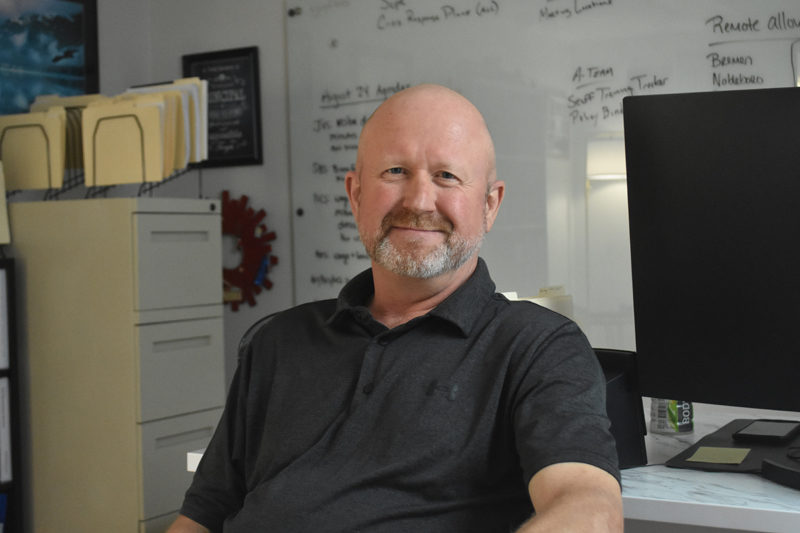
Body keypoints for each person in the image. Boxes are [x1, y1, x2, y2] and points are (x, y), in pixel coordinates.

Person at [168, 84, 622, 532]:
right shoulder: (277, 340)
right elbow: (203, 515)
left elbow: (587, 507)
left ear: (489, 204)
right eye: (395, 171)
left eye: (447, 176)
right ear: (356, 194)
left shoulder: (539, 347)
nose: (418, 201)